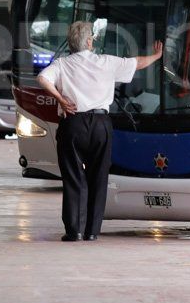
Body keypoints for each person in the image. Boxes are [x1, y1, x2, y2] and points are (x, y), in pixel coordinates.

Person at [37, 21, 163, 242]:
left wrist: (60, 99)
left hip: (73, 123)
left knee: (73, 176)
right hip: (100, 125)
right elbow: (138, 63)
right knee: (98, 176)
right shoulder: (106, 62)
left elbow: (42, 79)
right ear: (88, 42)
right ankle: (92, 231)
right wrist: (156, 56)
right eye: (92, 38)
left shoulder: (62, 64)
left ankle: (74, 231)